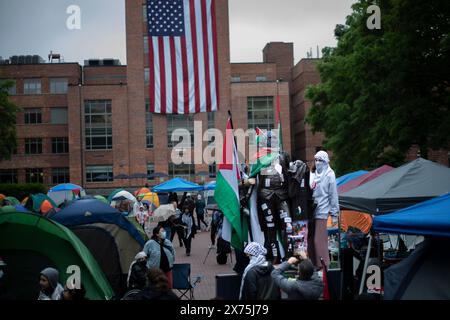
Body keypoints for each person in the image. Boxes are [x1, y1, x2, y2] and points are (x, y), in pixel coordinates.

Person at [308, 150, 339, 268]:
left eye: (320, 160)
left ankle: (324, 264)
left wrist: (334, 214)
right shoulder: (312, 174)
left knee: (319, 240)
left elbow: (333, 195)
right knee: (310, 239)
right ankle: (314, 265)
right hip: (312, 211)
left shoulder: (330, 174)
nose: (317, 162)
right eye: (316, 160)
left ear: (326, 161)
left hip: (323, 211)